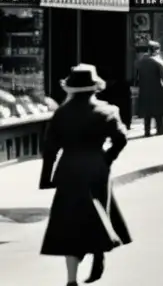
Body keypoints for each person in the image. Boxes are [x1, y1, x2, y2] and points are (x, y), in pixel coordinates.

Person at [39, 64, 131, 286]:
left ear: (70, 88)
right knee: (98, 212)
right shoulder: (107, 111)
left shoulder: (61, 114)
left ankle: (71, 279)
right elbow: (121, 139)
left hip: (69, 169)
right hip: (96, 167)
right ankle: (99, 253)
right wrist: (107, 159)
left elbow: (49, 148)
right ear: (95, 87)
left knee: (68, 223)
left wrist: (46, 179)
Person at [134, 41, 163, 137]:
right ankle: (160, 130)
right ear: (155, 50)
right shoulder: (158, 62)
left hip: (144, 90)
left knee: (147, 113)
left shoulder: (139, 62)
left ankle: (147, 131)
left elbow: (136, 78)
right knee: (159, 112)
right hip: (157, 90)